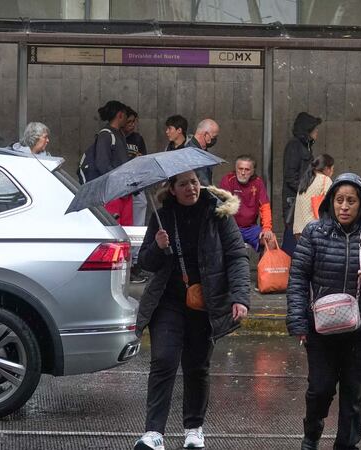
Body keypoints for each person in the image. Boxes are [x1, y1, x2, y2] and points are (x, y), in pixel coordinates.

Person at [287, 173, 361, 450]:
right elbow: (298, 278)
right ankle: (311, 436)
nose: (344, 206)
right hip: (321, 329)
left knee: (353, 395)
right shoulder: (315, 232)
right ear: (331, 202)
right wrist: (298, 322)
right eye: (339, 200)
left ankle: (347, 445)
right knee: (320, 390)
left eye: (351, 201)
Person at [134, 171, 250, 450]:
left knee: (197, 366)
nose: (191, 188)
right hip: (168, 302)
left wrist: (240, 297)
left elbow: (237, 256)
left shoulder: (218, 215)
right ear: (172, 189)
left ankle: (194, 428)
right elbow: (145, 263)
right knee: (163, 360)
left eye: (194, 182)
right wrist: (158, 247)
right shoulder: (162, 217)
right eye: (183, 184)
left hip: (204, 302)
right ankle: (153, 433)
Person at [80, 100, 131, 224]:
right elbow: (102, 164)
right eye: (125, 115)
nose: (127, 119)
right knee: (115, 228)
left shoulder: (119, 134)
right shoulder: (105, 135)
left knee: (127, 227)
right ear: (120, 115)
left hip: (123, 190)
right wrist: (118, 180)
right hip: (111, 192)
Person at [282, 112, 322, 256]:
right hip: (294, 202)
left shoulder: (305, 146)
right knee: (292, 241)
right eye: (315, 129)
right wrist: (308, 190)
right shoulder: (295, 146)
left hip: (300, 200)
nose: (317, 132)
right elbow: (290, 176)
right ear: (308, 130)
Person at [218, 155, 274, 251]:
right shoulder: (228, 180)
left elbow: (265, 207)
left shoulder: (258, 182)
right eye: (240, 169)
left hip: (250, 229)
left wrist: (267, 228)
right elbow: (222, 206)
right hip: (231, 227)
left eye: (247, 170)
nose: (243, 172)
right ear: (235, 169)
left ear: (252, 171)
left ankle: (262, 266)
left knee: (271, 240)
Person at [123, 106, 149, 284]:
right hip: (122, 186)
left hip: (137, 185)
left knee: (139, 223)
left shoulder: (137, 139)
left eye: (134, 122)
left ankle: (136, 262)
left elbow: (144, 159)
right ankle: (127, 263)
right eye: (129, 121)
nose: (132, 125)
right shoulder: (116, 138)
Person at [293, 154, 335, 239]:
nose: (333, 172)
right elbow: (333, 204)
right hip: (313, 230)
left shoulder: (306, 180)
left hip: (298, 231)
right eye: (332, 169)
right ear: (327, 169)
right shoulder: (325, 180)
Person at [186, 119, 220, 185]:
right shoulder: (193, 153)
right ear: (205, 135)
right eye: (214, 137)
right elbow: (204, 183)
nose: (215, 140)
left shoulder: (200, 151)